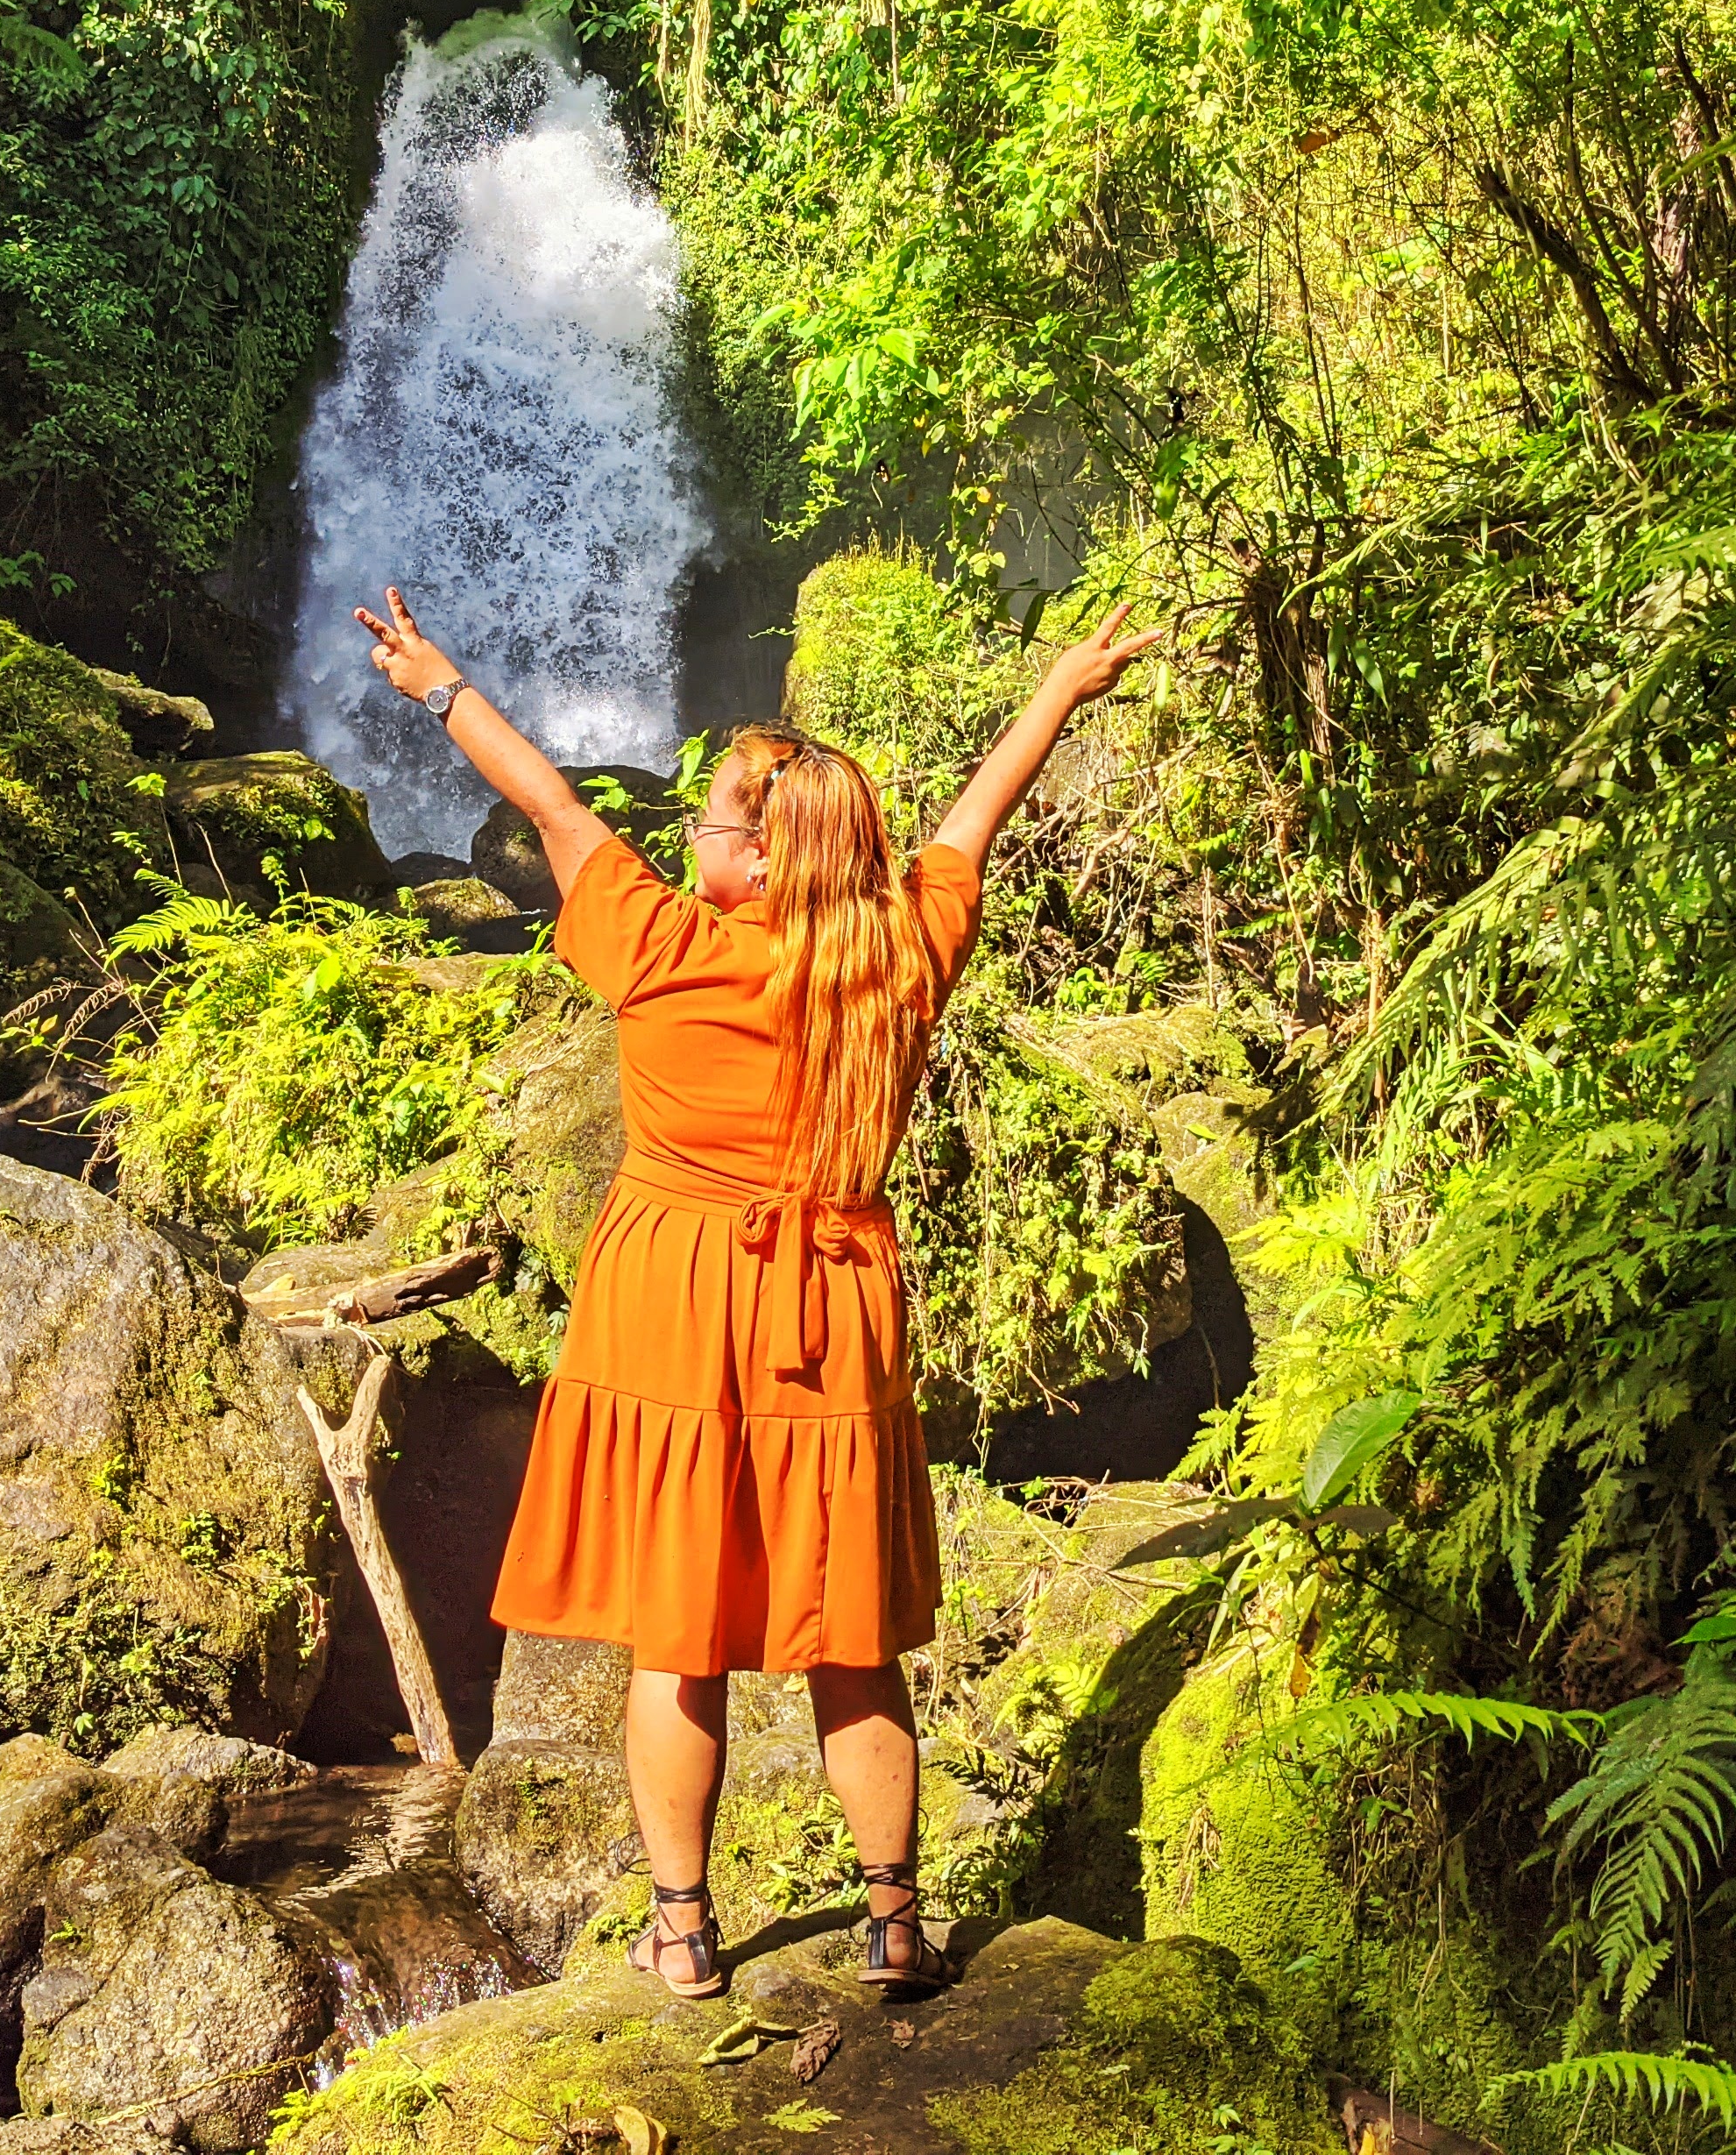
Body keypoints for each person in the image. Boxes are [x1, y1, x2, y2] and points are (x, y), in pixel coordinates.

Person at [352, 586, 1157, 1999]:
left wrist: (438, 685)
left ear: (769, 854)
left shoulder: (662, 951)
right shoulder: (895, 961)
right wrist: (1061, 691)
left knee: (681, 1641)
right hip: (833, 1307)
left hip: (669, 1298)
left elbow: (549, 808)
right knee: (849, 1640)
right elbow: (975, 823)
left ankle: (682, 1928)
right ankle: (896, 1924)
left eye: (718, 821)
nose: (695, 834)